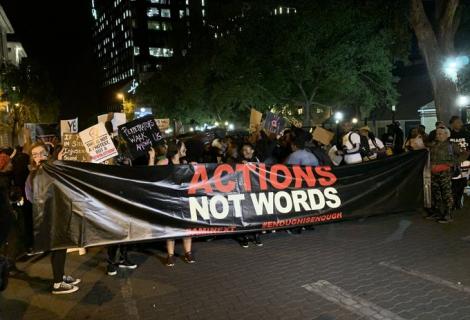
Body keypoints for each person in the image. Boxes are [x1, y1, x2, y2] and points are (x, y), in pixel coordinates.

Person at [26, 142, 80, 294]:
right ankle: (58, 283)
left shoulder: (48, 169)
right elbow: (31, 196)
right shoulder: (34, 174)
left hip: (59, 214)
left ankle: (61, 276)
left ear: (47, 153)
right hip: (49, 217)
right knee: (58, 247)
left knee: (61, 247)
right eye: (34, 154)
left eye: (41, 153)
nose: (38, 157)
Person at [149, 140, 195, 267]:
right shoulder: (164, 162)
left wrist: (194, 168)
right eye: (184, 147)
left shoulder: (185, 163)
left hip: (184, 200)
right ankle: (170, 255)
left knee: (186, 227)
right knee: (171, 227)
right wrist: (152, 158)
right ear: (177, 149)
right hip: (169, 200)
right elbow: (151, 174)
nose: (186, 150)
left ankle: (188, 252)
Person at [427, 128, 469, 223]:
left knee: (446, 193)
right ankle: (437, 212)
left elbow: (465, 154)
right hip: (433, 173)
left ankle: (448, 214)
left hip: (445, 172)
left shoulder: (451, 145)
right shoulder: (434, 144)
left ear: (447, 135)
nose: (438, 135)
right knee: (436, 193)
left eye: (440, 134)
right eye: (437, 134)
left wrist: (454, 163)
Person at [237, 143, 262, 247]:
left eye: (248, 150)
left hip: (255, 191)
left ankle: (256, 234)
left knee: (256, 213)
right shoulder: (239, 161)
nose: (246, 152)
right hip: (244, 191)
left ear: (252, 151)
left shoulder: (257, 160)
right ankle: (244, 236)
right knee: (245, 213)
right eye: (244, 150)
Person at [448, 116, 470, 209]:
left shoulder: (466, 134)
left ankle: (458, 200)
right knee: (453, 182)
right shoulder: (449, 135)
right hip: (452, 162)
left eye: (460, 122)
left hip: (465, 161)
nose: (460, 124)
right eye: (457, 122)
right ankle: (453, 201)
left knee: (462, 182)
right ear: (452, 124)